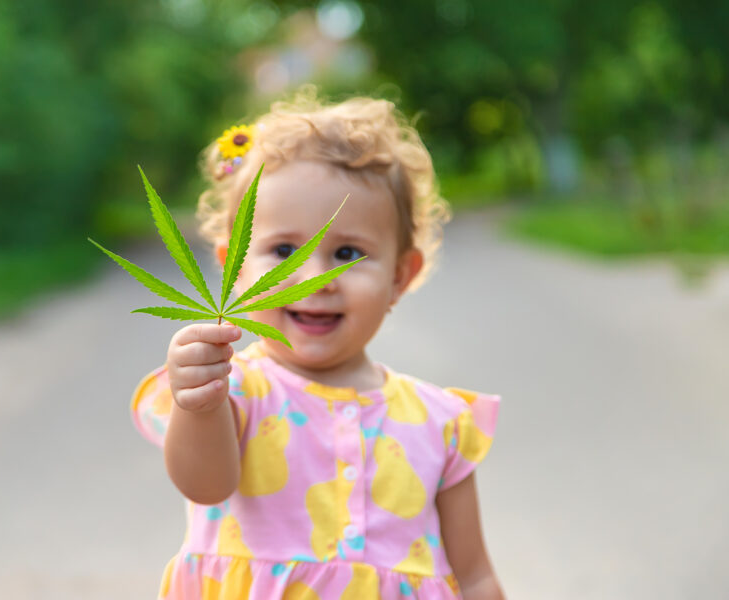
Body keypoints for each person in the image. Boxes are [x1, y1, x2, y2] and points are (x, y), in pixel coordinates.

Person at [131, 88, 504, 599]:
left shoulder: (441, 424)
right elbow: (205, 484)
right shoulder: (235, 391)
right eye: (284, 250)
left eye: (347, 252)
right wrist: (197, 405)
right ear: (234, 267)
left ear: (400, 275)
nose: (314, 278)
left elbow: (476, 573)